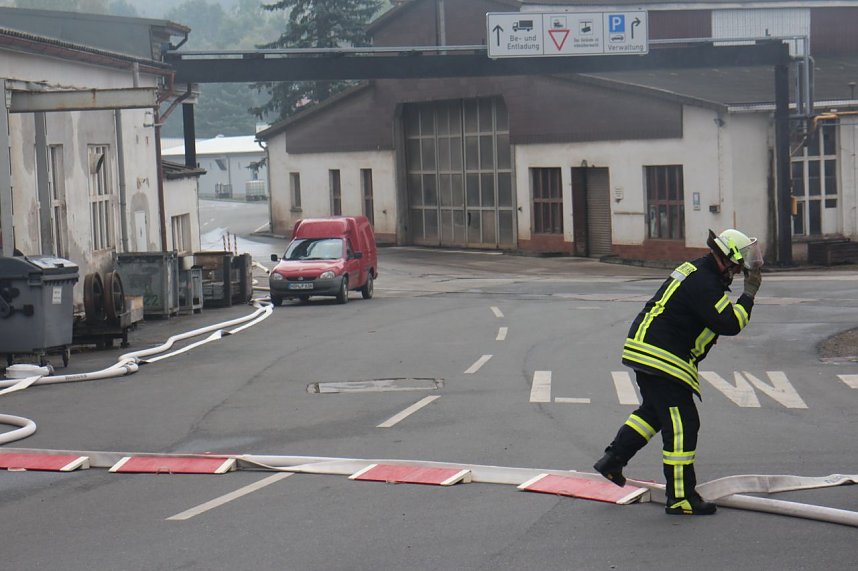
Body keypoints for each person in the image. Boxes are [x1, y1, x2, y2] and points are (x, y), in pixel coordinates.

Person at [593, 228, 763, 516]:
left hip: (648, 349)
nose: (738, 272)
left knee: (654, 413)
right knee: (684, 425)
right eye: (738, 266)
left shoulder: (700, 270)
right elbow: (730, 323)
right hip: (662, 356)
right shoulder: (706, 283)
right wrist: (749, 295)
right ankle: (681, 497)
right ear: (729, 260)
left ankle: (612, 461)